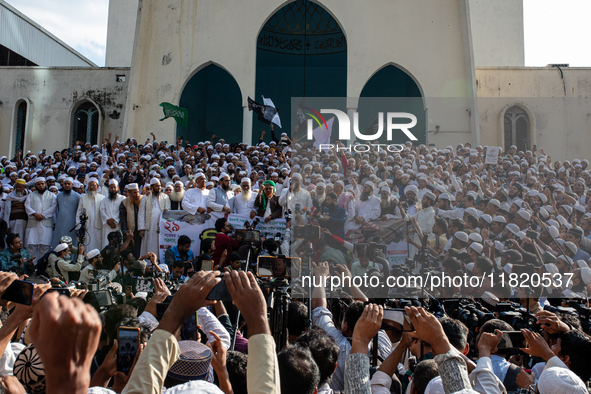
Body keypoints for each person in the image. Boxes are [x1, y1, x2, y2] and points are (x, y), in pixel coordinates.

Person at [25, 177, 57, 262]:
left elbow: (53, 207)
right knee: (32, 246)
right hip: (33, 223)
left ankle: (41, 267)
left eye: (42, 183)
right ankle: (33, 266)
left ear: (45, 184)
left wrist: (42, 215)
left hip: (46, 224)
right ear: (35, 185)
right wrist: (35, 214)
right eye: (39, 184)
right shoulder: (31, 195)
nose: (41, 185)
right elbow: (27, 206)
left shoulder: (52, 195)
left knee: (45, 247)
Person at [140, 178, 170, 256]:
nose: (159, 188)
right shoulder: (144, 197)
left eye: (160, 186)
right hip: (149, 225)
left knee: (159, 243)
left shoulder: (165, 197)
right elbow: (141, 214)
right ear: (152, 187)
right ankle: (149, 263)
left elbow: (168, 210)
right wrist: (141, 229)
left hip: (161, 226)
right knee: (149, 243)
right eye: (157, 186)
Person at [76, 178, 105, 251]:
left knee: (98, 243)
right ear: (87, 186)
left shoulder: (102, 198)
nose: (92, 187)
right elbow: (79, 212)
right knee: (86, 244)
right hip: (86, 226)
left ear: (97, 186)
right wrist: (79, 226)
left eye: (93, 185)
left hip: (98, 226)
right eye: (90, 185)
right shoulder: (83, 197)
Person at [119, 183, 144, 258]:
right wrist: (125, 231)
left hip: (141, 230)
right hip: (131, 231)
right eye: (134, 192)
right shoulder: (124, 202)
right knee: (132, 251)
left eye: (137, 192)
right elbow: (122, 219)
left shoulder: (142, 199)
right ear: (129, 193)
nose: (137, 194)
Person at [99, 179, 125, 247]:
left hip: (117, 225)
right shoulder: (104, 200)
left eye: (114, 187)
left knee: (118, 245)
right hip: (107, 226)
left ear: (118, 188)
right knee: (106, 244)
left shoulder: (123, 198)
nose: (113, 189)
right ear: (108, 188)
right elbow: (102, 211)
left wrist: (114, 220)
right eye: (111, 187)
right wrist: (108, 221)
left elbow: (122, 211)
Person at [4, 179, 29, 245]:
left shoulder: (29, 195)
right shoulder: (10, 196)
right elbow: (7, 211)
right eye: (16, 187)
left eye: (20, 187)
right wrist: (7, 225)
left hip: (26, 222)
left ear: (24, 187)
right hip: (14, 221)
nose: (18, 189)